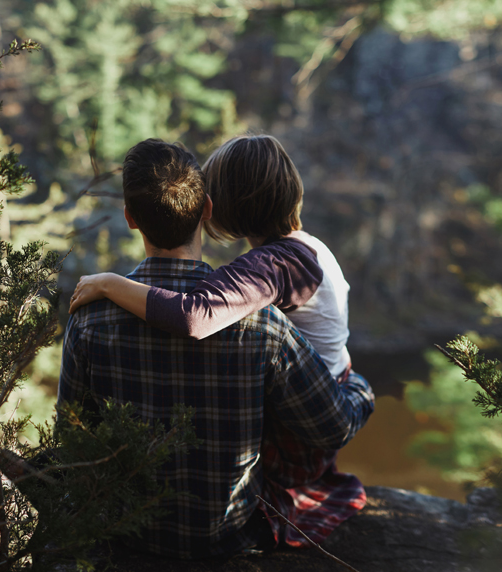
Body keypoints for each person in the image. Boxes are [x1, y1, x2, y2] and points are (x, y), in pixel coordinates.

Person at [59, 138, 374, 558]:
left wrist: (110, 282)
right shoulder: (264, 321)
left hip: (130, 537)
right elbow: (329, 425)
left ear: (130, 219)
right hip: (231, 536)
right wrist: (361, 391)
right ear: (206, 207)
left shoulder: (88, 319)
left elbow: (72, 442)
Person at [68, 134, 350, 381]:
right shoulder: (308, 248)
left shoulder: (275, 265)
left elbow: (194, 317)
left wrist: (109, 284)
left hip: (308, 415)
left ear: (223, 204)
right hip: (335, 380)